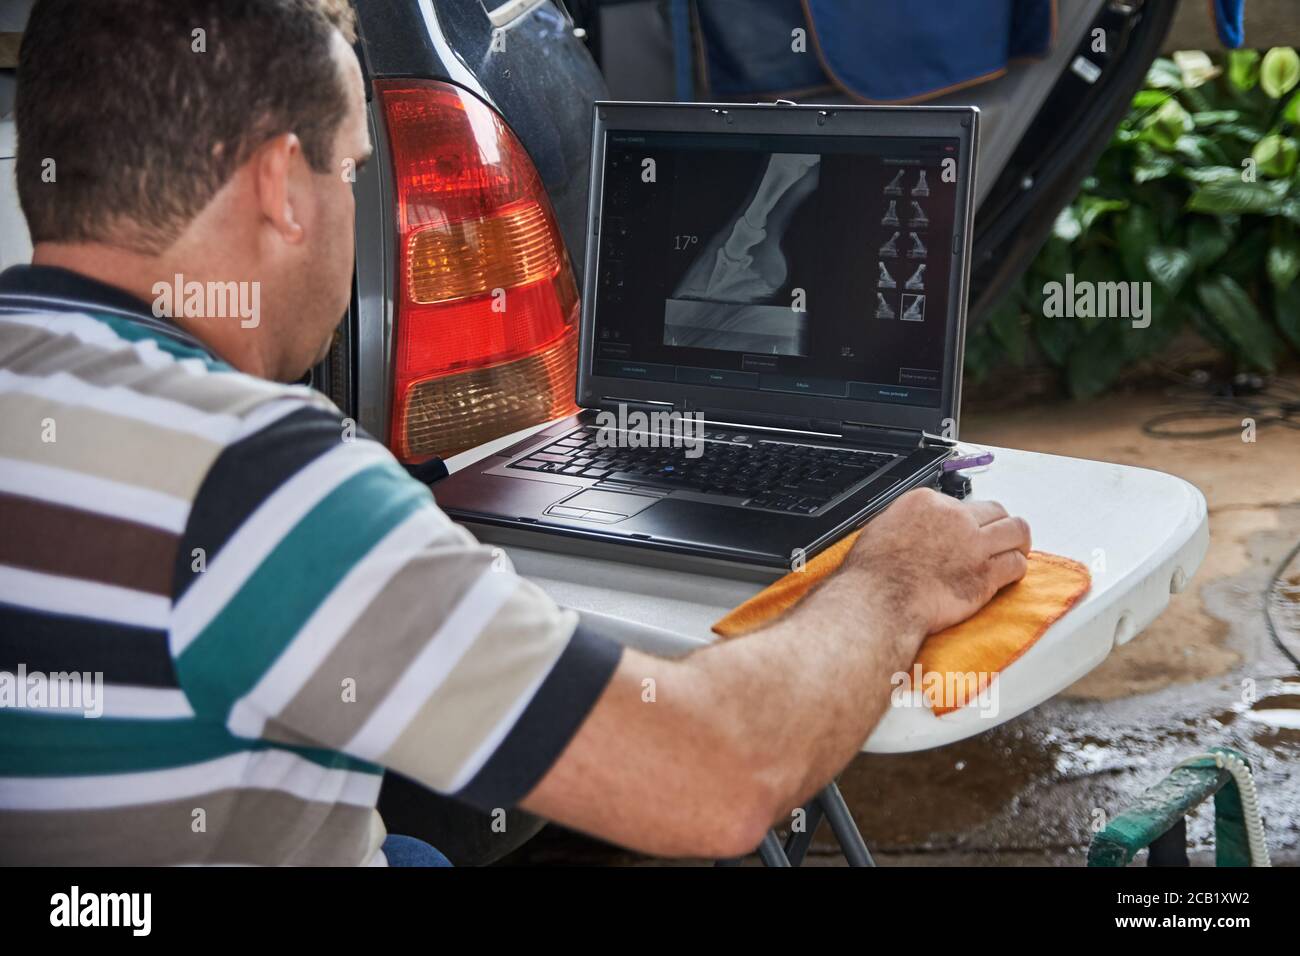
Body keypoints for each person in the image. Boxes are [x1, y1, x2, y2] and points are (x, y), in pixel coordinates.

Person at [0, 0, 1031, 865]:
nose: (352, 200)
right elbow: (715, 774)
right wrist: (892, 578)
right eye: (353, 169)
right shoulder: (256, 479)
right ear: (280, 184)